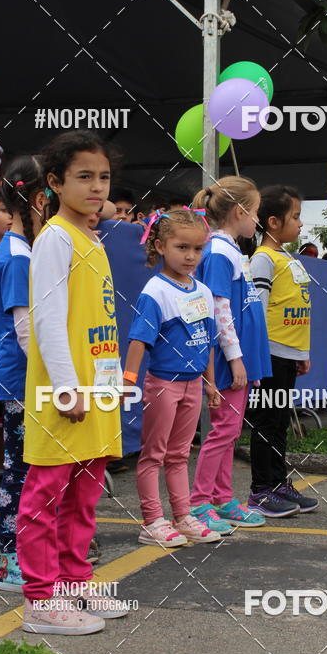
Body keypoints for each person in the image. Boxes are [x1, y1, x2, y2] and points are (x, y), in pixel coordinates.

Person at [17, 132, 128, 635]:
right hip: (66, 391)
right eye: (84, 177)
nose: (97, 187)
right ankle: (41, 599)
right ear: (55, 183)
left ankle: (73, 583)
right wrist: (66, 386)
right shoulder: (56, 238)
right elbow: (47, 319)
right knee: (45, 495)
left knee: (83, 497)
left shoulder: (91, 238)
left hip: (98, 388)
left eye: (103, 177)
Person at [125, 207, 221, 547]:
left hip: (193, 383)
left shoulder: (203, 291)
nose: (191, 256)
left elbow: (209, 340)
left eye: (197, 248)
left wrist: (210, 382)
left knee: (180, 454)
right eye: (182, 247)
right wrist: (127, 379)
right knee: (154, 453)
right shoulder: (156, 290)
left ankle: (183, 516)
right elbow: (140, 339)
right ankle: (152, 521)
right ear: (161, 246)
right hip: (163, 384)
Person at [189, 176, 270, 534]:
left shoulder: (229, 249)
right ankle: (200, 501)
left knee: (229, 430)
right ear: (239, 212)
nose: (258, 220)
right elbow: (219, 308)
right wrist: (235, 357)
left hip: (238, 357)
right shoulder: (220, 252)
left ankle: (221, 497)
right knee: (223, 431)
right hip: (228, 359)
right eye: (255, 213)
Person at [0, 156, 48, 592]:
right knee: (20, 469)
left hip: (28, 379)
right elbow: (24, 326)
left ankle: (28, 551)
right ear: (39, 199)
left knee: (28, 466)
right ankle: (12, 558)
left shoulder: (23, 251)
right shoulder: (16, 256)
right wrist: (50, 376)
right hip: (22, 381)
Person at [247, 185, 319, 516]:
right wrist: (260, 357)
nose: (301, 224)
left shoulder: (285, 258)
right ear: (273, 222)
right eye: (295, 217)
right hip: (270, 357)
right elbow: (258, 312)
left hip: (288, 356)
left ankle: (278, 483)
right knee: (266, 422)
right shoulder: (263, 259)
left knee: (279, 423)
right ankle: (261, 490)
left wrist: (301, 353)